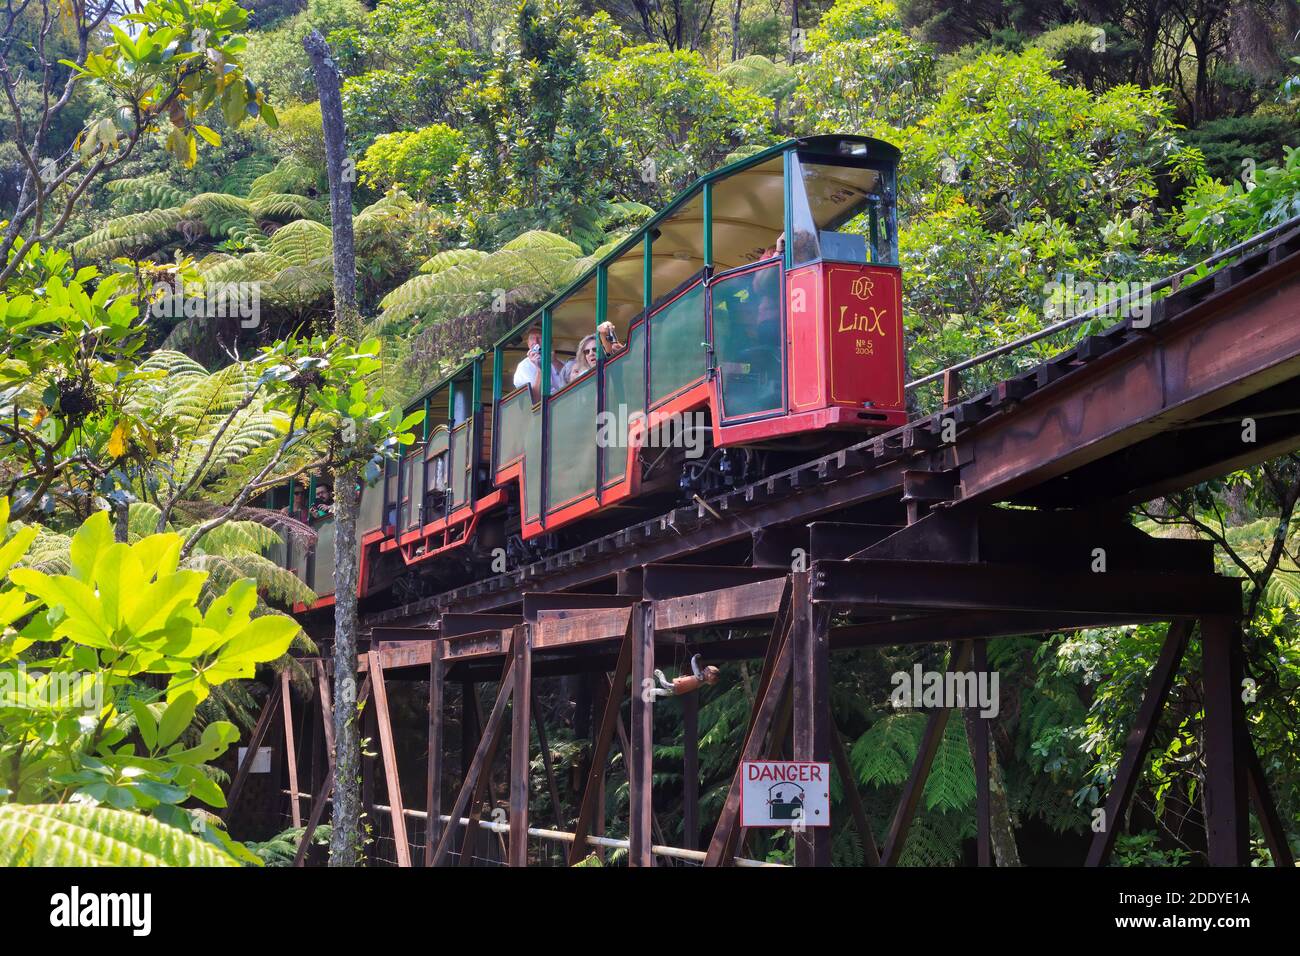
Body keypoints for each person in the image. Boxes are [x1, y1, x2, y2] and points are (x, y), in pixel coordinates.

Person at [512, 325, 562, 396]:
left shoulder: (558, 361)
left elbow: (570, 379)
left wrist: (555, 362)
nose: (536, 341)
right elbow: (534, 398)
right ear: (528, 343)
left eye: (540, 337)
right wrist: (539, 369)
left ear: (549, 341)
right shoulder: (523, 366)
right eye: (532, 338)